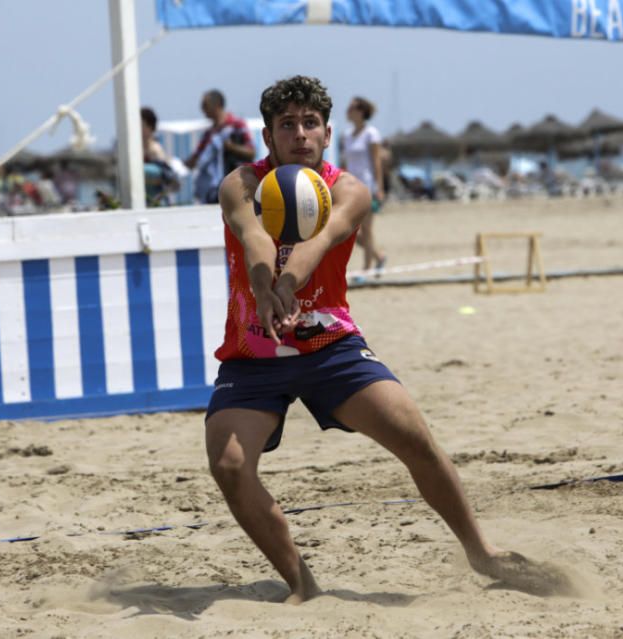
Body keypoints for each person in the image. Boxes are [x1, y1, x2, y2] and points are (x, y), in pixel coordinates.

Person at [205, 75, 573, 604]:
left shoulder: (349, 189)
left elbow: (321, 239)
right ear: (268, 137)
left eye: (310, 123)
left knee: (416, 441)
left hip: (329, 345)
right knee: (230, 465)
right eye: (288, 124)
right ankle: (302, 584)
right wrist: (265, 288)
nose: (300, 133)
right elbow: (255, 236)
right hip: (254, 351)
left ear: (328, 134)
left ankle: (482, 553)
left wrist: (285, 285)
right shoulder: (240, 183)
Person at [340, 96, 386, 273]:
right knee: (349, 231)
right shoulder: (347, 135)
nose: (348, 111)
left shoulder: (371, 134)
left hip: (367, 186)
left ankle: (367, 269)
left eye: (352, 108)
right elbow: (346, 162)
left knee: (367, 229)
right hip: (350, 186)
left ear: (361, 112)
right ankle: (379, 256)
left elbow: (376, 162)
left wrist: (379, 188)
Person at [186, 90, 255, 204]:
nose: (202, 109)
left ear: (216, 105)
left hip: (237, 185)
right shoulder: (209, 134)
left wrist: (231, 147)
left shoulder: (237, 125)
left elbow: (251, 152)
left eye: (205, 105)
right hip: (216, 191)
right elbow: (196, 158)